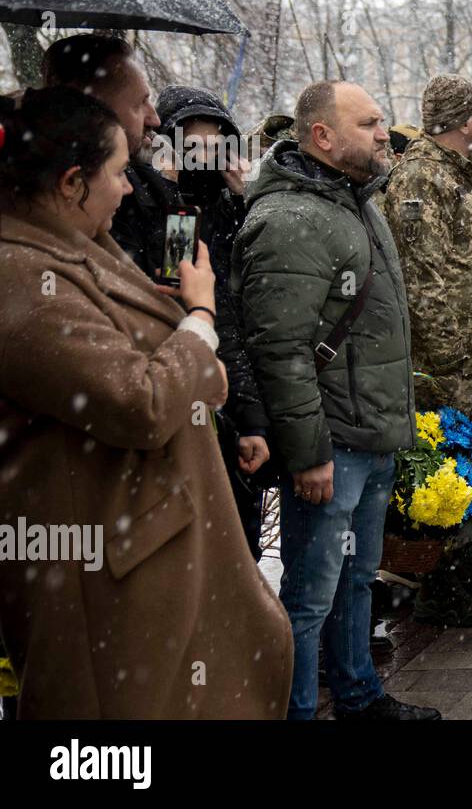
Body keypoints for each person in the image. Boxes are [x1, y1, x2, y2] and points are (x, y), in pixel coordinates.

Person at [0, 88, 291, 717]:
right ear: (73, 182)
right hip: (111, 567)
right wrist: (201, 319)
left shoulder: (113, 233)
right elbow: (147, 393)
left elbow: (199, 352)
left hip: (157, 538)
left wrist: (210, 360)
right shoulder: (25, 274)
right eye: (115, 173)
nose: (128, 187)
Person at [233, 80, 436, 720]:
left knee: (356, 581)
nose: (385, 133)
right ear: (323, 136)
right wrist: (309, 453)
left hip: (371, 438)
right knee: (310, 596)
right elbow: (281, 352)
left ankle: (358, 697)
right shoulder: (289, 220)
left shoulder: (355, 200)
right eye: (370, 122)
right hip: (332, 449)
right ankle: (295, 712)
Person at [379, 74, 472, 626]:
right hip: (451, 364)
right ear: (463, 119)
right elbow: (424, 282)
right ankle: (441, 584)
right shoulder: (421, 178)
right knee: (449, 471)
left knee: (470, 467)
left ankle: (461, 568)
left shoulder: (454, 172)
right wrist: (446, 363)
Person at [154, 85, 271, 557]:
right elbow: (174, 276)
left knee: (242, 543)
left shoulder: (232, 206)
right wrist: (169, 187)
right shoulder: (158, 207)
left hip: (244, 384)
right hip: (196, 386)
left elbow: (257, 277)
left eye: (215, 144)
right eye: (192, 145)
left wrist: (244, 195)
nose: (205, 158)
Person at [40, 35, 169, 278]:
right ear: (94, 109)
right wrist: (199, 310)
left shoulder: (152, 185)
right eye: (139, 103)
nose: (155, 119)